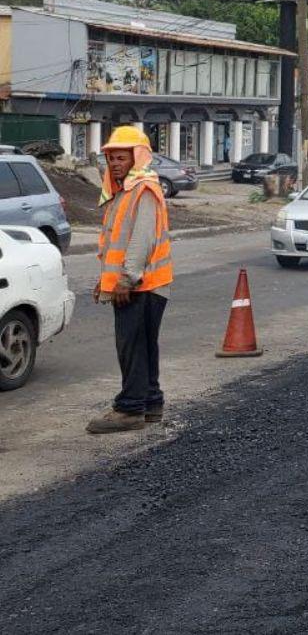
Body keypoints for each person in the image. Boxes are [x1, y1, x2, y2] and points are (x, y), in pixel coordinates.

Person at [86, 126, 174, 434]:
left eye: (121, 157)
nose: (115, 164)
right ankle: (150, 403)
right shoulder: (123, 193)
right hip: (141, 284)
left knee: (132, 347)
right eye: (111, 158)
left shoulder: (143, 189)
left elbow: (141, 239)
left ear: (138, 157)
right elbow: (115, 243)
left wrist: (126, 279)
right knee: (144, 346)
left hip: (141, 285)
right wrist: (105, 281)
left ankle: (130, 409)